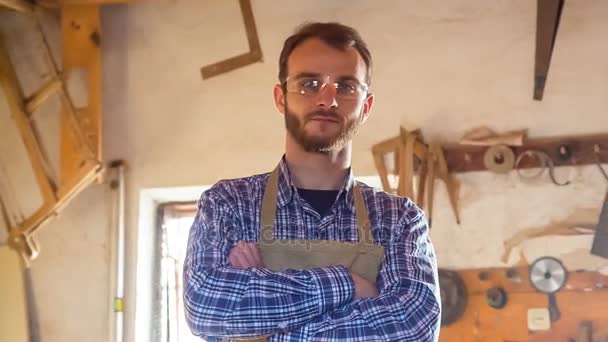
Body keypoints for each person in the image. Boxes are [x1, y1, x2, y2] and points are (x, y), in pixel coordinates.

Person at [183, 22, 441, 341]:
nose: (327, 100)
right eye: (309, 83)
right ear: (281, 98)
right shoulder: (229, 204)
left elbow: (412, 328)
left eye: (345, 87)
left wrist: (264, 332)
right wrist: (348, 284)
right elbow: (206, 308)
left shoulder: (399, 220)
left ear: (366, 108)